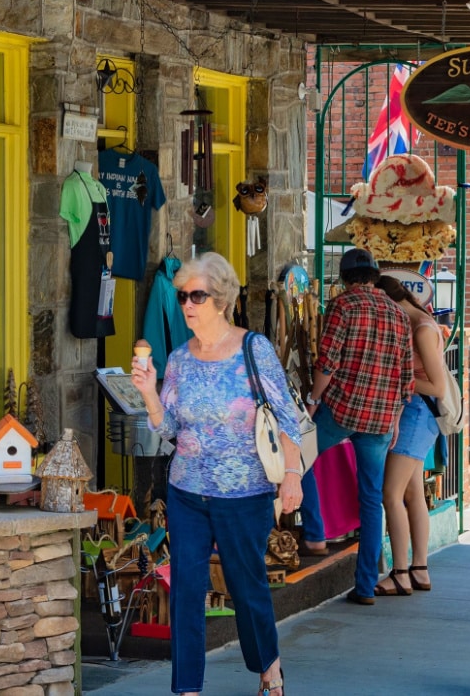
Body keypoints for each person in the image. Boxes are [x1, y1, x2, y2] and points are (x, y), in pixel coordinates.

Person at [132, 251, 303, 696]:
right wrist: (150, 392)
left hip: (244, 493)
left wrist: (292, 474)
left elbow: (285, 416)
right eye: (183, 295)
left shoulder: (254, 349)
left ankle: (269, 669)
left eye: (197, 295)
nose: (187, 304)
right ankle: (187, 688)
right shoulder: (179, 359)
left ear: (221, 299)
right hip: (187, 489)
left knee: (246, 589)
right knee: (187, 589)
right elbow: (167, 427)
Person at [299, 247, 414, 604]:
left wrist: (314, 398)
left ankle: (315, 535)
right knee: (371, 500)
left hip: (341, 409)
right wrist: (394, 418)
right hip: (381, 417)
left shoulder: (344, 305)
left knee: (299, 458)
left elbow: (328, 360)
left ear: (345, 277)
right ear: (375, 274)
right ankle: (365, 586)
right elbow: (405, 377)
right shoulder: (398, 313)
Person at [372, 275, 450, 596]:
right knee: (413, 494)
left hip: (418, 412)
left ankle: (400, 572)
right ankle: (419, 568)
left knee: (390, 494)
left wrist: (398, 379)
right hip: (417, 412)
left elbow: (438, 386)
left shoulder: (420, 328)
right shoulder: (418, 321)